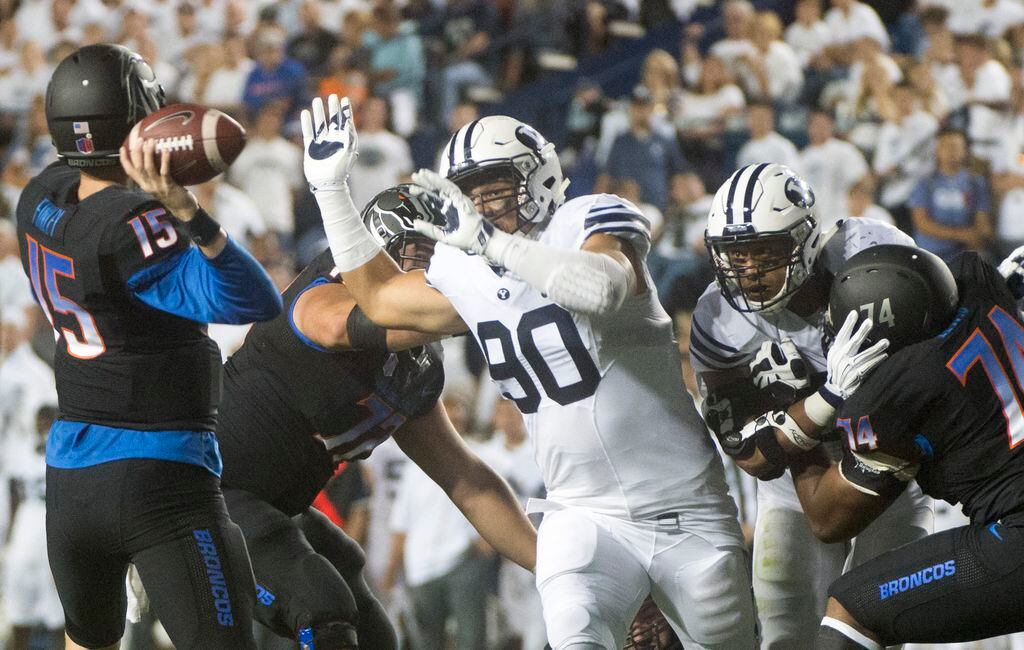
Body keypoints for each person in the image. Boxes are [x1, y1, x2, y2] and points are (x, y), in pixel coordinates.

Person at [301, 93, 757, 649]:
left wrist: (491, 243)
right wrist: (331, 191)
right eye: (468, 196)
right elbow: (377, 302)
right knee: (574, 633)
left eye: (493, 190)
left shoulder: (583, 217)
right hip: (581, 513)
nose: (480, 208)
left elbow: (602, 287)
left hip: (685, 507)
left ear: (539, 177)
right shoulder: (461, 266)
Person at [15, 44, 282, 650]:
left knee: (87, 643)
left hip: (71, 476)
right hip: (160, 476)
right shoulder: (136, 225)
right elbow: (252, 302)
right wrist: (190, 213)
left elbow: (88, 191)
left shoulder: (39, 197)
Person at [215, 185, 537, 649]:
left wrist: (550, 565)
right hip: (207, 492)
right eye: (426, 255)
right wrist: (500, 299)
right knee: (321, 608)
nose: (438, 273)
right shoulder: (322, 297)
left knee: (369, 622)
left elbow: (466, 481)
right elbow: (349, 322)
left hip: (270, 502)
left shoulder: (418, 367)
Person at [691, 162, 933, 648]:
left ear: (804, 238)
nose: (750, 271)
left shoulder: (868, 259)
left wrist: (815, 403)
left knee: (872, 623)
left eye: (764, 251)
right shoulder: (717, 318)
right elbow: (750, 452)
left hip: (891, 462)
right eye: (736, 256)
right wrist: (825, 400)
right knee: (783, 626)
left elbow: (928, 373)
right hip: (799, 474)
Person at [770, 244, 1024, 647]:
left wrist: (802, 407)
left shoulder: (898, 397)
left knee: (852, 609)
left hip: (1016, 537)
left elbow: (828, 520)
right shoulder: (982, 287)